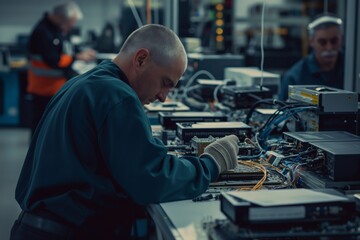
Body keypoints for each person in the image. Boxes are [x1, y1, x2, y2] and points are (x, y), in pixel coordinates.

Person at [11, 24, 240, 240]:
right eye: (165, 82)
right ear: (141, 59)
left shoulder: (84, 83)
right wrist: (210, 164)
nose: (163, 96)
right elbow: (153, 180)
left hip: (37, 228)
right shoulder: (117, 96)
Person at [27, 1, 96, 135]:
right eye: (71, 22)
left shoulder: (57, 29)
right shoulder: (43, 32)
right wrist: (78, 57)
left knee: (52, 127)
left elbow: (65, 50)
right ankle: (37, 154)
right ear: (60, 17)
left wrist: (77, 55)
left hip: (55, 87)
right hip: (44, 89)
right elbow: (55, 60)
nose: (72, 26)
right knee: (40, 128)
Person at [278, 14, 344, 100]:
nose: (329, 48)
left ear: (341, 39)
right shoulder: (294, 78)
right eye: (322, 42)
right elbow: (282, 111)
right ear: (311, 42)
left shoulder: (353, 69)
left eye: (334, 41)